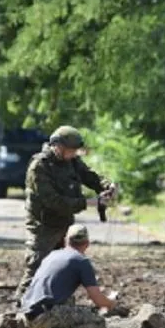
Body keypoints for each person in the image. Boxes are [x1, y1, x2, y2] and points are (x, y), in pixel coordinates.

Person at [17, 125, 116, 298]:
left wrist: (107, 186)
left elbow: (89, 176)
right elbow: (53, 201)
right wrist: (89, 202)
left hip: (64, 223)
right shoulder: (39, 167)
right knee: (37, 266)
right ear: (58, 146)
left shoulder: (72, 162)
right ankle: (20, 306)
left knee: (63, 266)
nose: (74, 154)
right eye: (71, 150)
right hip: (43, 226)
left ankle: (57, 303)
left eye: (75, 151)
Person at [21, 224, 118, 328]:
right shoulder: (82, 261)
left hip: (26, 314)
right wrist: (111, 303)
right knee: (98, 322)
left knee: (69, 301)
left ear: (65, 241)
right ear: (87, 243)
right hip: (43, 316)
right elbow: (96, 299)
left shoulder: (52, 255)